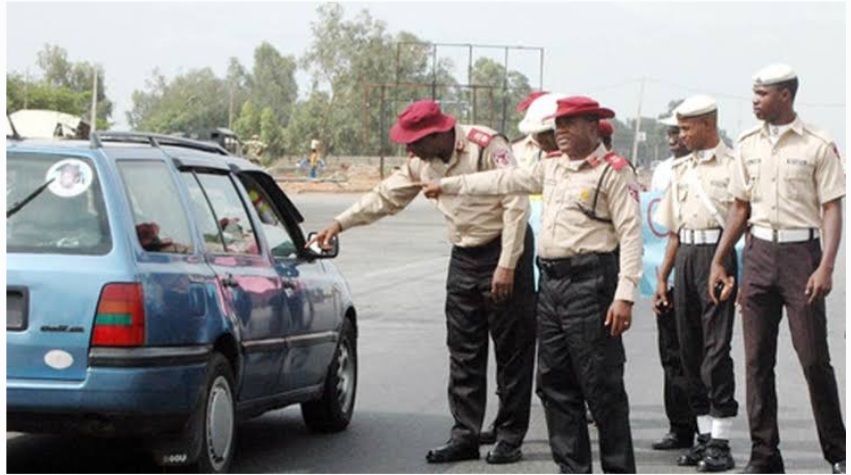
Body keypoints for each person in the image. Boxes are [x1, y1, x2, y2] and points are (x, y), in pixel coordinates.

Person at [308, 100, 537, 465]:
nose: (407, 149)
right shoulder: (421, 162)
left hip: (505, 251)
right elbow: (386, 197)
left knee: (512, 351)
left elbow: (516, 203)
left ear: (436, 134)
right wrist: (339, 223)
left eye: (413, 142)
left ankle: (509, 436)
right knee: (463, 351)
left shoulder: (487, 144)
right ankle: (465, 434)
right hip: (464, 256)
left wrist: (507, 264)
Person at [424, 95, 641, 474]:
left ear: (593, 126)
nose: (561, 134)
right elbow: (504, 179)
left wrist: (624, 296)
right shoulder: (552, 167)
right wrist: (451, 185)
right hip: (552, 283)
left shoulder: (613, 172)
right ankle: (573, 468)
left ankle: (618, 469)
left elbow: (631, 235)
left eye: (569, 125)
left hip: (590, 283)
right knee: (554, 384)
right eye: (557, 126)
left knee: (601, 386)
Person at [709, 64, 846, 475]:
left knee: (813, 359)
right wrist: (720, 257)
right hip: (758, 254)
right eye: (754, 93)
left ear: (785, 95)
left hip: (801, 255)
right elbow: (739, 207)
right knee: (756, 362)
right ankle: (765, 455)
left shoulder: (817, 144)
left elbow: (832, 208)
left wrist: (826, 265)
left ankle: (839, 454)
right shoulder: (747, 144)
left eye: (762, 94)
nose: (755, 100)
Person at [652, 95, 738, 472]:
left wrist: (730, 267)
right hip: (685, 257)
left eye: (687, 127)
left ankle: (722, 440)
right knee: (689, 351)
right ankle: (703, 436)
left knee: (715, 352)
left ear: (708, 123)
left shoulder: (735, 165)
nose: (681, 135)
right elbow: (673, 231)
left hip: (717, 258)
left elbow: (742, 219)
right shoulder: (681, 170)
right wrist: (662, 277)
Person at [479, 91, 565, 446]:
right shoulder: (514, 151)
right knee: (512, 342)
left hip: (558, 256)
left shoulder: (574, 158)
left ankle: (557, 417)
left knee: (551, 350)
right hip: (517, 256)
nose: (539, 140)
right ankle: (505, 420)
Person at [649, 110, 698, 453]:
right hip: (667, 269)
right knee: (672, 353)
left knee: (701, 353)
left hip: (701, 268)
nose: (672, 138)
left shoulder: (715, 168)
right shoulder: (662, 171)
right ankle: (680, 427)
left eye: (678, 131)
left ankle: (707, 428)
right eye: (668, 132)